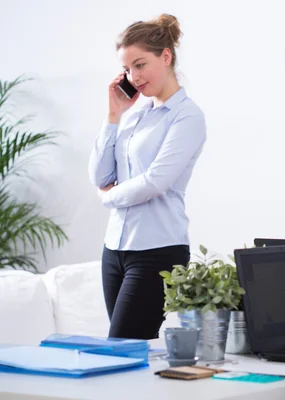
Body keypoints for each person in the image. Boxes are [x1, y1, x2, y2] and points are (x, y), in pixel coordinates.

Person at [88, 14, 206, 340]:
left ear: (165, 56)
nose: (133, 77)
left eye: (140, 65)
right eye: (127, 69)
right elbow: (100, 174)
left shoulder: (187, 117)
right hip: (114, 248)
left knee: (122, 345)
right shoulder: (133, 113)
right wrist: (113, 114)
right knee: (126, 355)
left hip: (158, 250)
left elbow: (156, 181)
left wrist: (109, 197)